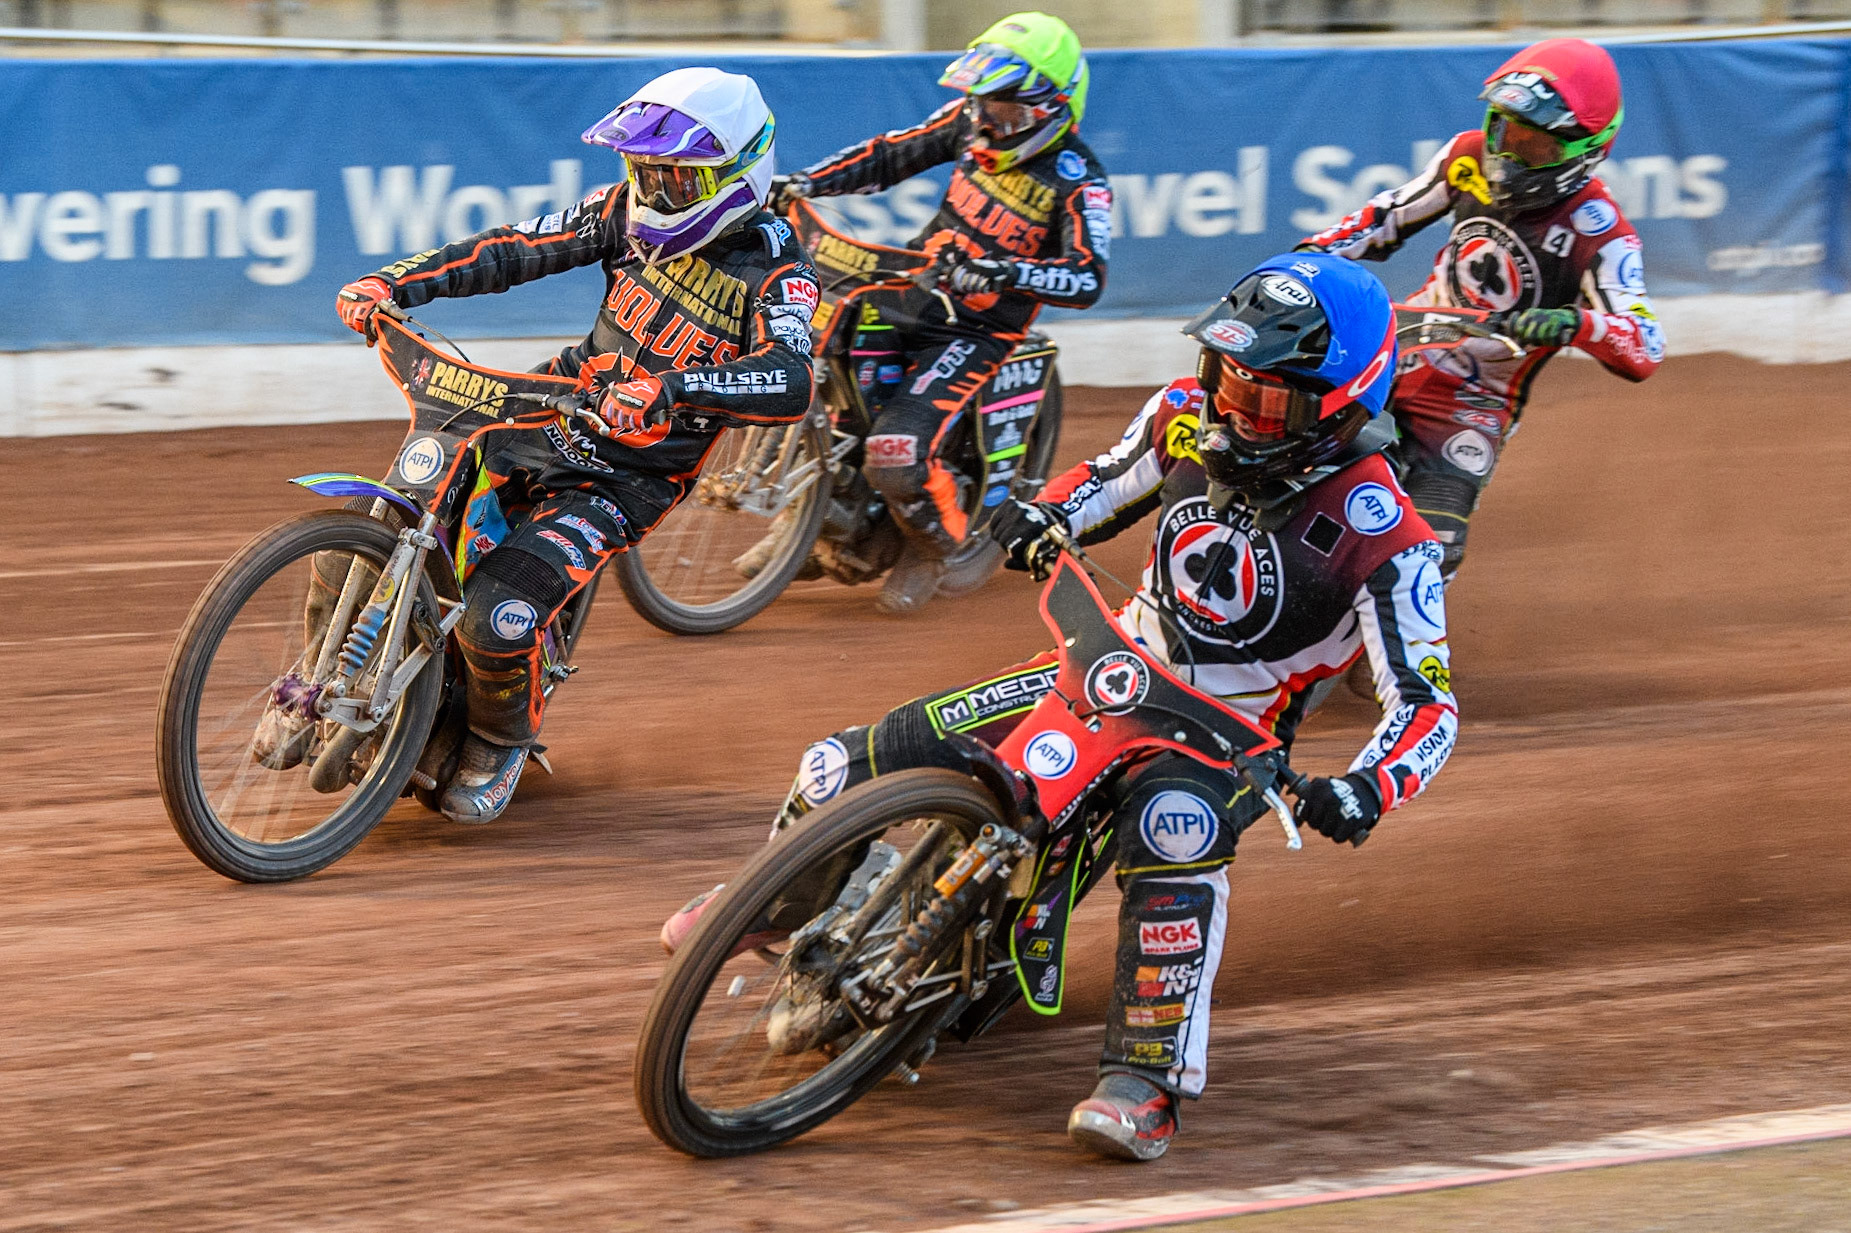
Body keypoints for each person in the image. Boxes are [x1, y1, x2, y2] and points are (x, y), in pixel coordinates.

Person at [664, 254, 1459, 1161]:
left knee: (1172, 831)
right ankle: (768, 903)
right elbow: (1100, 480)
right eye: (1226, 375)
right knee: (842, 761)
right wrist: (1043, 515)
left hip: (1219, 742)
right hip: (1103, 663)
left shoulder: (1389, 540)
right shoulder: (1183, 417)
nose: (1235, 407)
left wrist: (1365, 788)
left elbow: (1428, 706)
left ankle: (1144, 1082)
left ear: (1342, 403)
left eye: (1268, 398)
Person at [331, 67, 819, 824]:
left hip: (624, 477)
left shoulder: (778, 269)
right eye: (645, 172)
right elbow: (511, 250)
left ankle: (500, 737)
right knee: (362, 534)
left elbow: (791, 379)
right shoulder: (621, 211)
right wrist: (395, 282)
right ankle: (324, 680)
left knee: (498, 610)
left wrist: (676, 389)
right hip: (541, 408)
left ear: (738, 175)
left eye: (677, 180)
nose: (655, 192)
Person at [755, 10, 1111, 614]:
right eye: (982, 102)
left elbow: (1087, 277)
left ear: (1049, 108)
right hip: (913, 287)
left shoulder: (1078, 181)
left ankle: (934, 546)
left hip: (979, 327)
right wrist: (806, 184)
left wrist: (1004, 272)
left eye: (1005, 108)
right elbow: (888, 156)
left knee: (895, 451)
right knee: (824, 354)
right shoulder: (966, 124)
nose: (988, 119)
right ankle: (811, 518)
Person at [1296, 37, 1661, 584]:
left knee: (1431, 549)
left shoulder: (1601, 233)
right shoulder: (1466, 156)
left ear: (1587, 149)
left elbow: (1645, 343)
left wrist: (1575, 324)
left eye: (1534, 146)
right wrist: (1304, 262)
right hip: (1397, 349)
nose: (1509, 154)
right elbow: (1381, 219)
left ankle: (1389, 659)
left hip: (1472, 406)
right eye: (1504, 129)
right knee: (1289, 461)